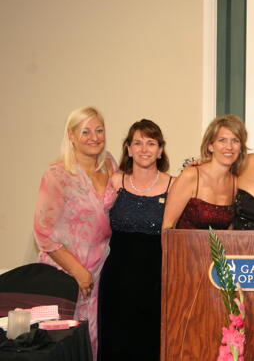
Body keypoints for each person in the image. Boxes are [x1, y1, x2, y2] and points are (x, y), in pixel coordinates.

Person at [33, 107, 117, 360]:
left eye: (99, 130)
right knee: (64, 342)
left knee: (96, 338)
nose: (94, 137)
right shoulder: (57, 175)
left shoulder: (111, 165)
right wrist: (78, 271)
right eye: (86, 131)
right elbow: (43, 233)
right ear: (71, 136)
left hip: (103, 269)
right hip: (66, 272)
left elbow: (144, 177)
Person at [97, 119, 172, 360]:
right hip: (117, 280)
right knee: (116, 344)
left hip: (156, 282)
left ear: (160, 150)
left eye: (151, 143)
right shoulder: (114, 181)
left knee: (151, 345)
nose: (144, 149)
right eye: (137, 143)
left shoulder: (175, 185)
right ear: (128, 148)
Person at [162, 115, 247, 230]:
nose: (229, 147)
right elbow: (168, 226)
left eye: (235, 141)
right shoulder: (191, 176)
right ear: (210, 146)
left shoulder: (236, 184)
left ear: (241, 147)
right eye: (222, 140)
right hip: (183, 247)